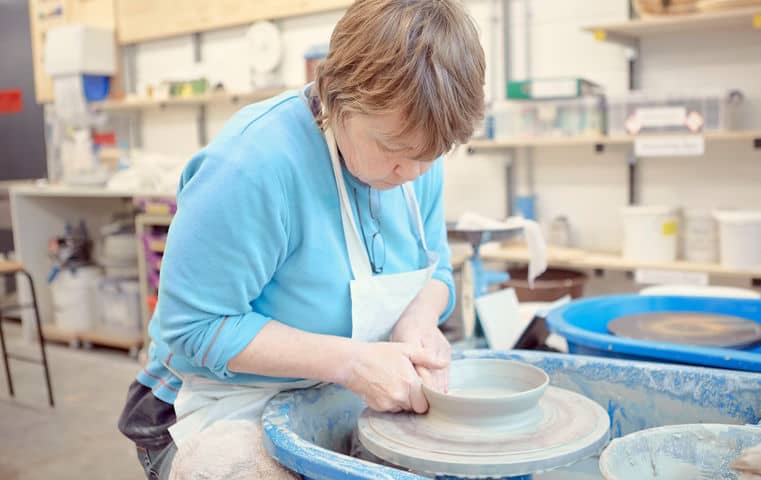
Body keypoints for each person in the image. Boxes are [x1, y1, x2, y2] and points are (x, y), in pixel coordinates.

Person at [117, 0, 486, 478]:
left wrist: (417, 321)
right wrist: (351, 363)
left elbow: (436, 271)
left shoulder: (417, 159)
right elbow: (193, 327)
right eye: (393, 148)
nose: (413, 172)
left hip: (336, 393)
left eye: (434, 153)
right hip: (218, 408)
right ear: (337, 97)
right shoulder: (254, 164)